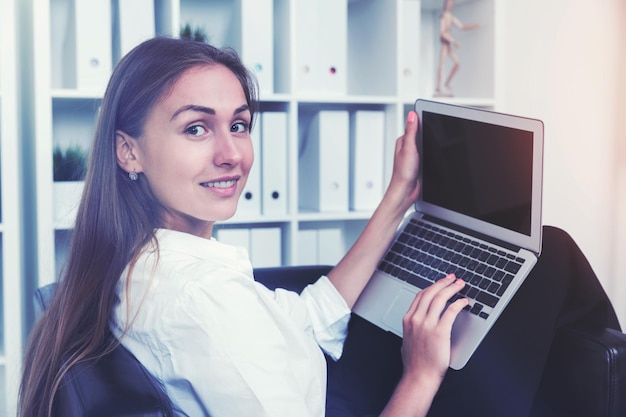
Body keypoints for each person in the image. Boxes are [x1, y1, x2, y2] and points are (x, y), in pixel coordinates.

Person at [18, 36, 469, 417]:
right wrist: (421, 374)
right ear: (128, 152)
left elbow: (303, 322)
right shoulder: (204, 299)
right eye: (196, 128)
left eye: (238, 124)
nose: (231, 154)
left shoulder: (137, 258)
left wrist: (398, 198)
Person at [435, 0, 480, 97]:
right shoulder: (443, 16)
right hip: (445, 44)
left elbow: (462, 27)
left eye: (451, 2)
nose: (450, 4)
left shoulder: (450, 17)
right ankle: (438, 89)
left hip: (448, 44)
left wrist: (474, 25)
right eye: (448, 2)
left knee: (457, 63)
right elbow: (443, 33)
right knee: (441, 66)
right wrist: (454, 41)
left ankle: (446, 83)